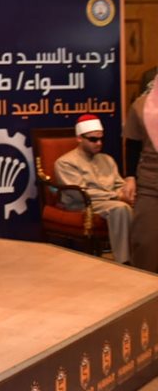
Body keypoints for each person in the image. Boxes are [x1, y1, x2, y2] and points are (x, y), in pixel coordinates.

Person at [56, 114, 134, 263]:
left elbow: (119, 184)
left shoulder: (107, 159)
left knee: (144, 205)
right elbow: (79, 193)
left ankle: (145, 258)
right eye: (93, 139)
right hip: (82, 204)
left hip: (108, 201)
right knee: (120, 208)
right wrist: (116, 196)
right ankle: (125, 261)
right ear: (79, 138)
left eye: (101, 139)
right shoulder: (65, 162)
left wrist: (128, 194)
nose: (99, 143)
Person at [124, 76, 158, 271]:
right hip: (150, 184)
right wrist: (130, 177)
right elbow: (133, 145)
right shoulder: (140, 106)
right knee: (146, 243)